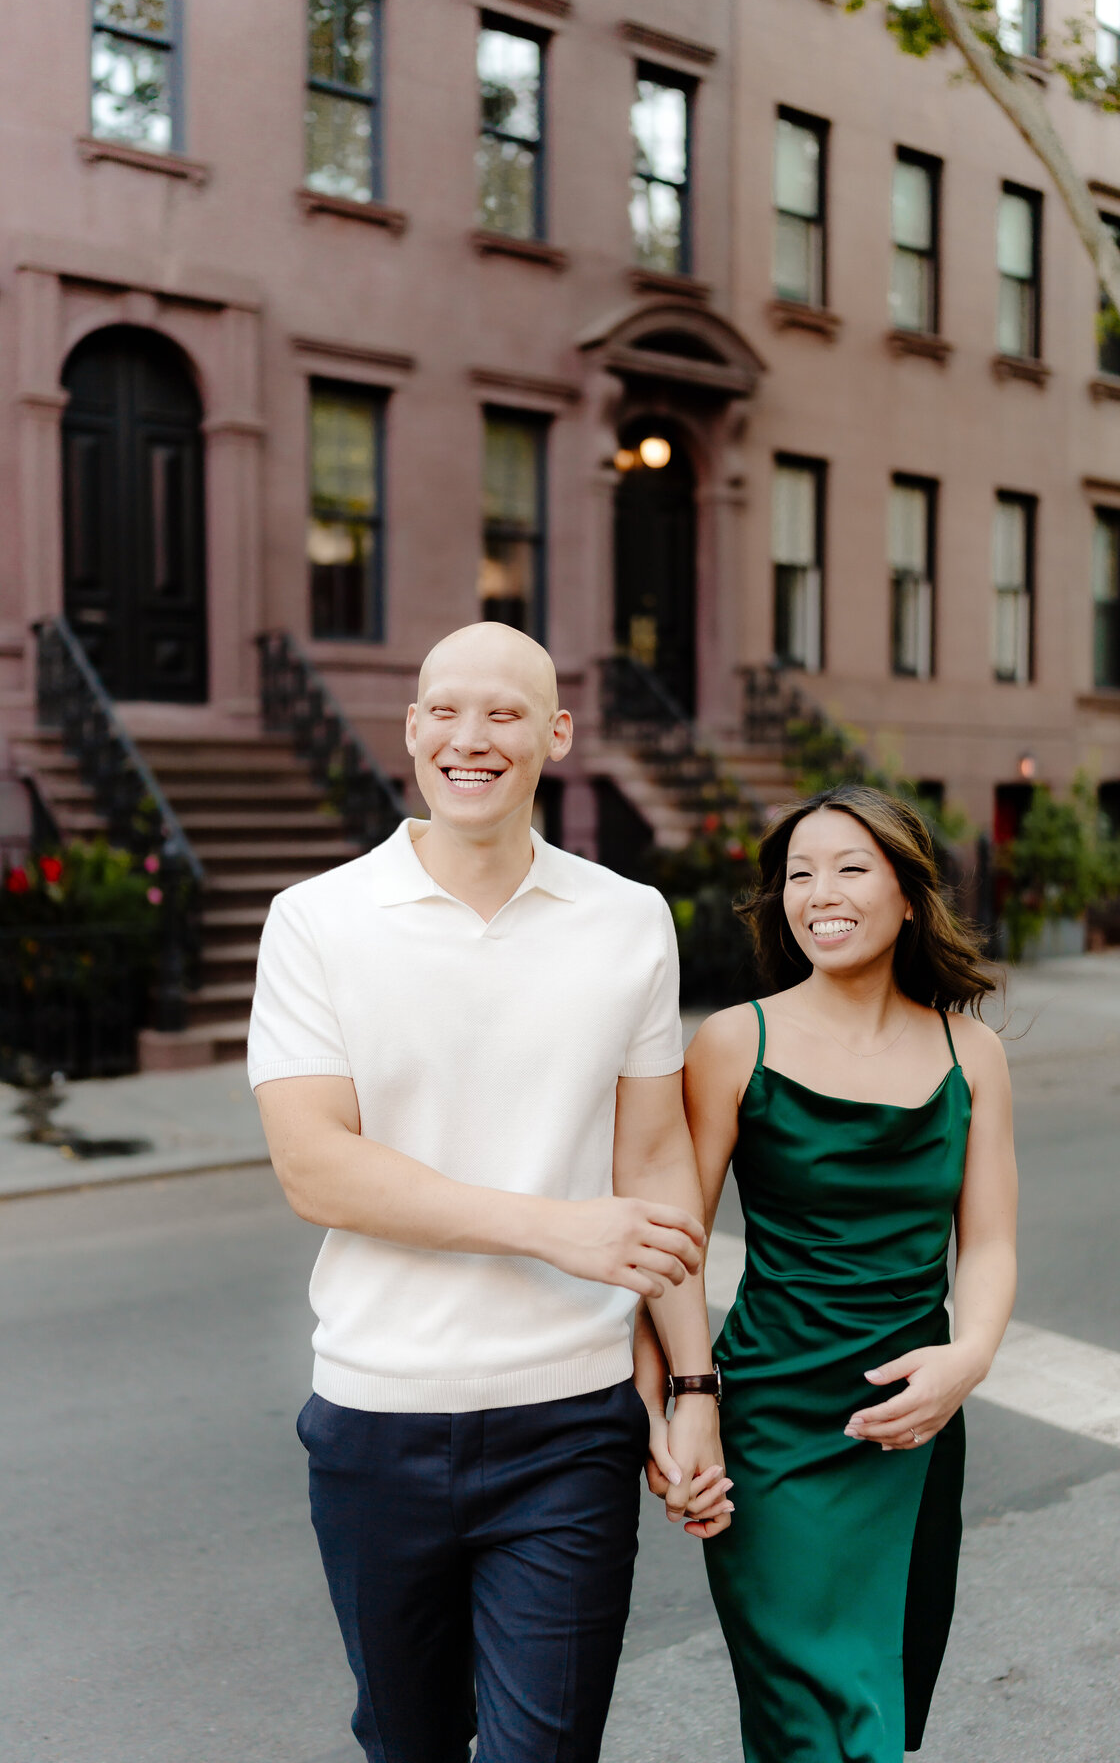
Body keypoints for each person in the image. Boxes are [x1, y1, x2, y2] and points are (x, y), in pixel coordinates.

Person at [248, 622, 730, 1763]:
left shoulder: (629, 920)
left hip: (571, 1425)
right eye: (446, 711)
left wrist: (695, 1383)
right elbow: (315, 1165)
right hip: (377, 1415)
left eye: (506, 713)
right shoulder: (317, 922)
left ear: (555, 734)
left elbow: (655, 1163)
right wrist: (554, 1230)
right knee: (408, 1743)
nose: (474, 738)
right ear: (412, 730)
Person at [671, 783, 1018, 1763]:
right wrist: (682, 1402)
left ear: (910, 895)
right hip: (772, 1432)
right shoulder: (736, 1042)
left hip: (915, 1429)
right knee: (822, 1729)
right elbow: (676, 1248)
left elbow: (987, 1243)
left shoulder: (972, 1052)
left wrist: (970, 1357)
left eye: (851, 868)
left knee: (876, 1723)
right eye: (799, 874)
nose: (820, 892)